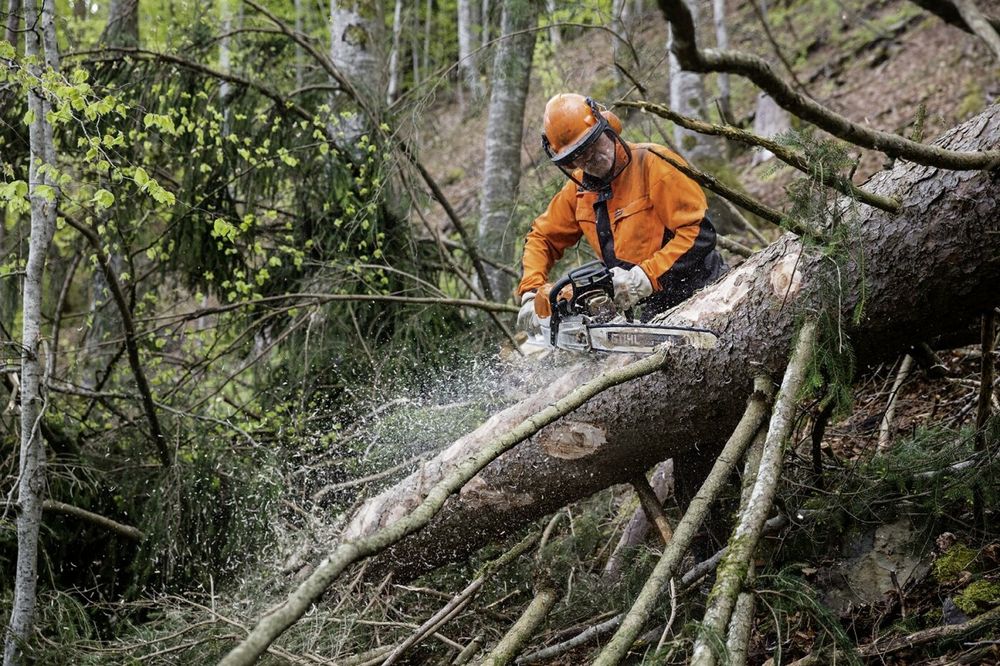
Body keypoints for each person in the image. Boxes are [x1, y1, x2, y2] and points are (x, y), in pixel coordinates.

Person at [516, 93, 725, 332]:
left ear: (606, 127)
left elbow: (700, 234)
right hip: (656, 308)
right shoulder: (578, 190)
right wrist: (532, 291)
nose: (590, 158)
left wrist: (644, 278)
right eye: (578, 155)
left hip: (705, 287)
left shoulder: (653, 163)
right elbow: (542, 236)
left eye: (591, 144)